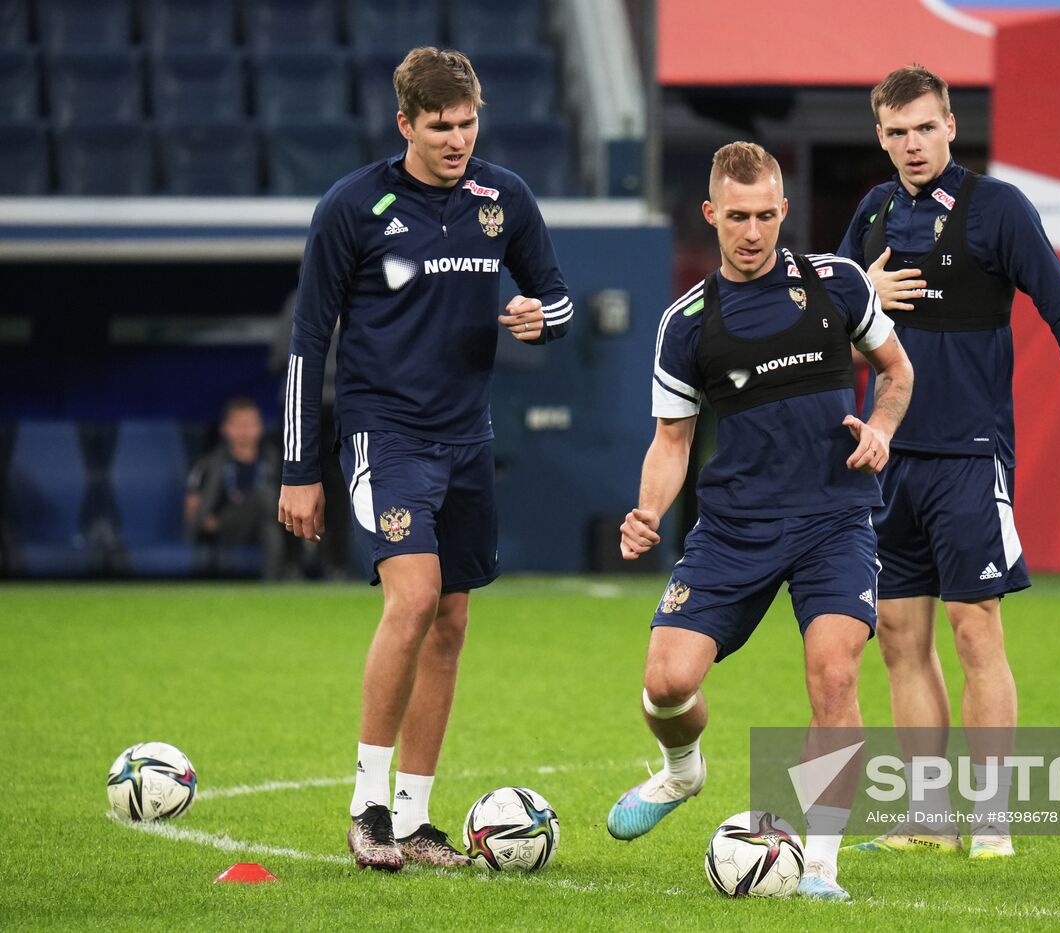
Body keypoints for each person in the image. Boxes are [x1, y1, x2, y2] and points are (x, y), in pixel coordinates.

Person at [278, 47, 572, 872]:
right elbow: (309, 342)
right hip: (386, 431)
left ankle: (414, 818)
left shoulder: (503, 197)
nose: (457, 140)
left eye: (468, 123)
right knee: (413, 599)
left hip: (467, 435)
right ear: (404, 123)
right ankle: (366, 807)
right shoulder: (353, 206)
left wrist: (535, 317)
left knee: (452, 620)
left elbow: (559, 297)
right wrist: (301, 467)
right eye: (440, 126)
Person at [835, 65, 1060, 859]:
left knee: (977, 631)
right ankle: (929, 819)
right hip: (886, 461)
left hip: (969, 457)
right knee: (900, 637)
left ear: (949, 126)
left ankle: (995, 819)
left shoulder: (996, 208)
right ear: (881, 136)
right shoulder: (870, 212)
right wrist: (859, 289)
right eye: (896, 132)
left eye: (924, 128)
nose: (911, 144)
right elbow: (822, 324)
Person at [608, 141, 914, 901]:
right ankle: (683, 772)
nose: (752, 232)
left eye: (765, 216)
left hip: (834, 517)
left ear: (785, 211)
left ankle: (820, 868)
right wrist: (648, 509)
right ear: (711, 215)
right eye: (736, 217)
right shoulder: (686, 322)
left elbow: (898, 373)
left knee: (834, 675)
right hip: (735, 526)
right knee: (666, 683)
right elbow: (672, 441)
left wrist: (880, 428)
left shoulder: (837, 283)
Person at [185, 397, 282, 577]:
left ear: (260, 428)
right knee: (265, 498)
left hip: (262, 523)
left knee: (270, 526)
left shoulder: (273, 461)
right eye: (238, 425)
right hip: (223, 525)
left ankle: (273, 586)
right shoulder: (208, 463)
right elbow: (193, 505)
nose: (244, 432)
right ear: (224, 429)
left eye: (250, 425)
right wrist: (203, 521)